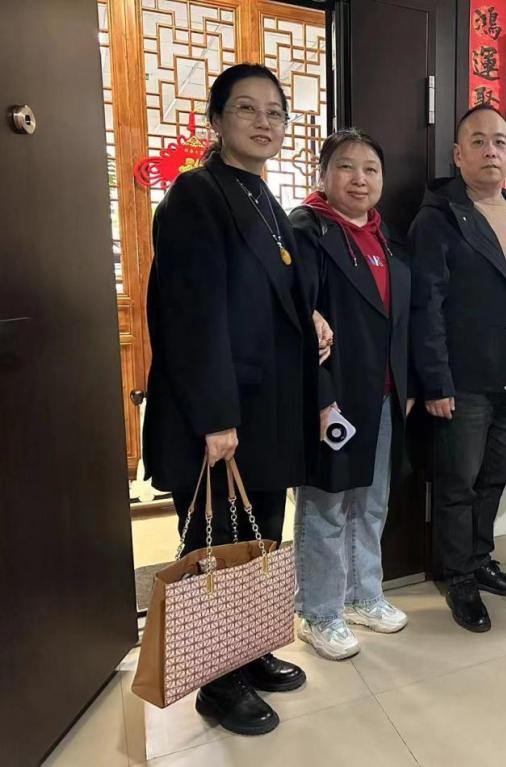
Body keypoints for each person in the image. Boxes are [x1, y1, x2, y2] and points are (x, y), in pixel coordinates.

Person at [144, 64, 327, 735]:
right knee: (216, 545)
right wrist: (216, 417)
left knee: (259, 538)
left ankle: (247, 653)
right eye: (246, 108)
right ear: (216, 122)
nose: (263, 121)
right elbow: (191, 314)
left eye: (275, 111)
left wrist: (310, 317)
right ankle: (217, 685)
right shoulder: (197, 194)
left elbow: (269, 295)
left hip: (268, 410)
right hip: (222, 413)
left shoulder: (263, 198)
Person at [409, 104, 506, 632]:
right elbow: (426, 306)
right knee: (457, 484)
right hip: (462, 382)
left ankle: (480, 558)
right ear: (458, 154)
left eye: (500, 142)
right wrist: (436, 381)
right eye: (479, 141)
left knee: (495, 476)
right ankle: (458, 577)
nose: (491, 151)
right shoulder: (439, 217)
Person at [290, 128, 414, 660]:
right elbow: (297, 322)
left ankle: (363, 595)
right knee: (326, 504)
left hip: (382, 395)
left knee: (371, 501)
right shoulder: (308, 229)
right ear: (323, 174)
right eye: (346, 166)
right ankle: (318, 612)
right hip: (333, 397)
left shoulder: (388, 238)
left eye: (370, 169)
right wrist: (321, 398)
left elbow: (401, 320)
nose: (359, 179)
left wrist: (406, 386)